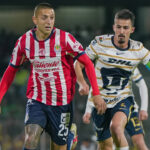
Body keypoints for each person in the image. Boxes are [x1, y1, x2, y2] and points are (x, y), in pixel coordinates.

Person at [0, 3, 106, 150]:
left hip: (61, 103)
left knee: (58, 147)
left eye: (52, 18)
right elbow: (11, 70)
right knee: (31, 138)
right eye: (44, 18)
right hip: (37, 99)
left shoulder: (64, 38)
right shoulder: (24, 42)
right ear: (35, 20)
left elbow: (87, 63)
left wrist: (96, 93)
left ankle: (69, 137)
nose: (49, 21)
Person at [74, 9, 150, 150]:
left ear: (132, 29)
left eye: (125, 28)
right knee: (105, 146)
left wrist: (144, 108)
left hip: (123, 99)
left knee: (116, 127)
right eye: (119, 27)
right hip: (100, 101)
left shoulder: (138, 49)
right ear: (114, 27)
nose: (121, 31)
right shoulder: (100, 44)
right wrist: (82, 83)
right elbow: (77, 63)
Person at [83, 67, 149, 150]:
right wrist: (88, 110)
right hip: (105, 109)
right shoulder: (101, 61)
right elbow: (94, 87)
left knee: (139, 142)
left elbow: (142, 84)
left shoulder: (130, 61)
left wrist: (144, 108)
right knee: (104, 145)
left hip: (128, 107)